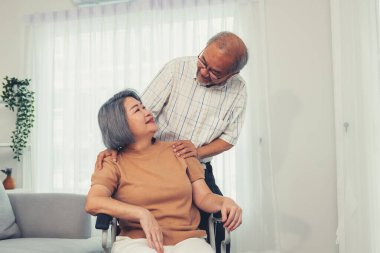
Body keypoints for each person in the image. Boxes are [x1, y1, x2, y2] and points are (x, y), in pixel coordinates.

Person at [95, 31, 248, 251]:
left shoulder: (239, 90)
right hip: (147, 159)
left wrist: (195, 152)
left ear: (232, 74)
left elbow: (229, 138)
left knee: (220, 229)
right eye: (203, 61)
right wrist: (113, 146)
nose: (204, 72)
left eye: (215, 72)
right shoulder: (177, 69)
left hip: (193, 162)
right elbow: (136, 114)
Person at [86, 89, 242, 253]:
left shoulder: (181, 151)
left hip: (187, 241)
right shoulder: (112, 161)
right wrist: (141, 213)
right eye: (137, 110)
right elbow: (93, 202)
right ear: (120, 123)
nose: (147, 112)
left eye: (144, 107)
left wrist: (224, 201)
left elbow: (204, 197)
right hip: (136, 242)